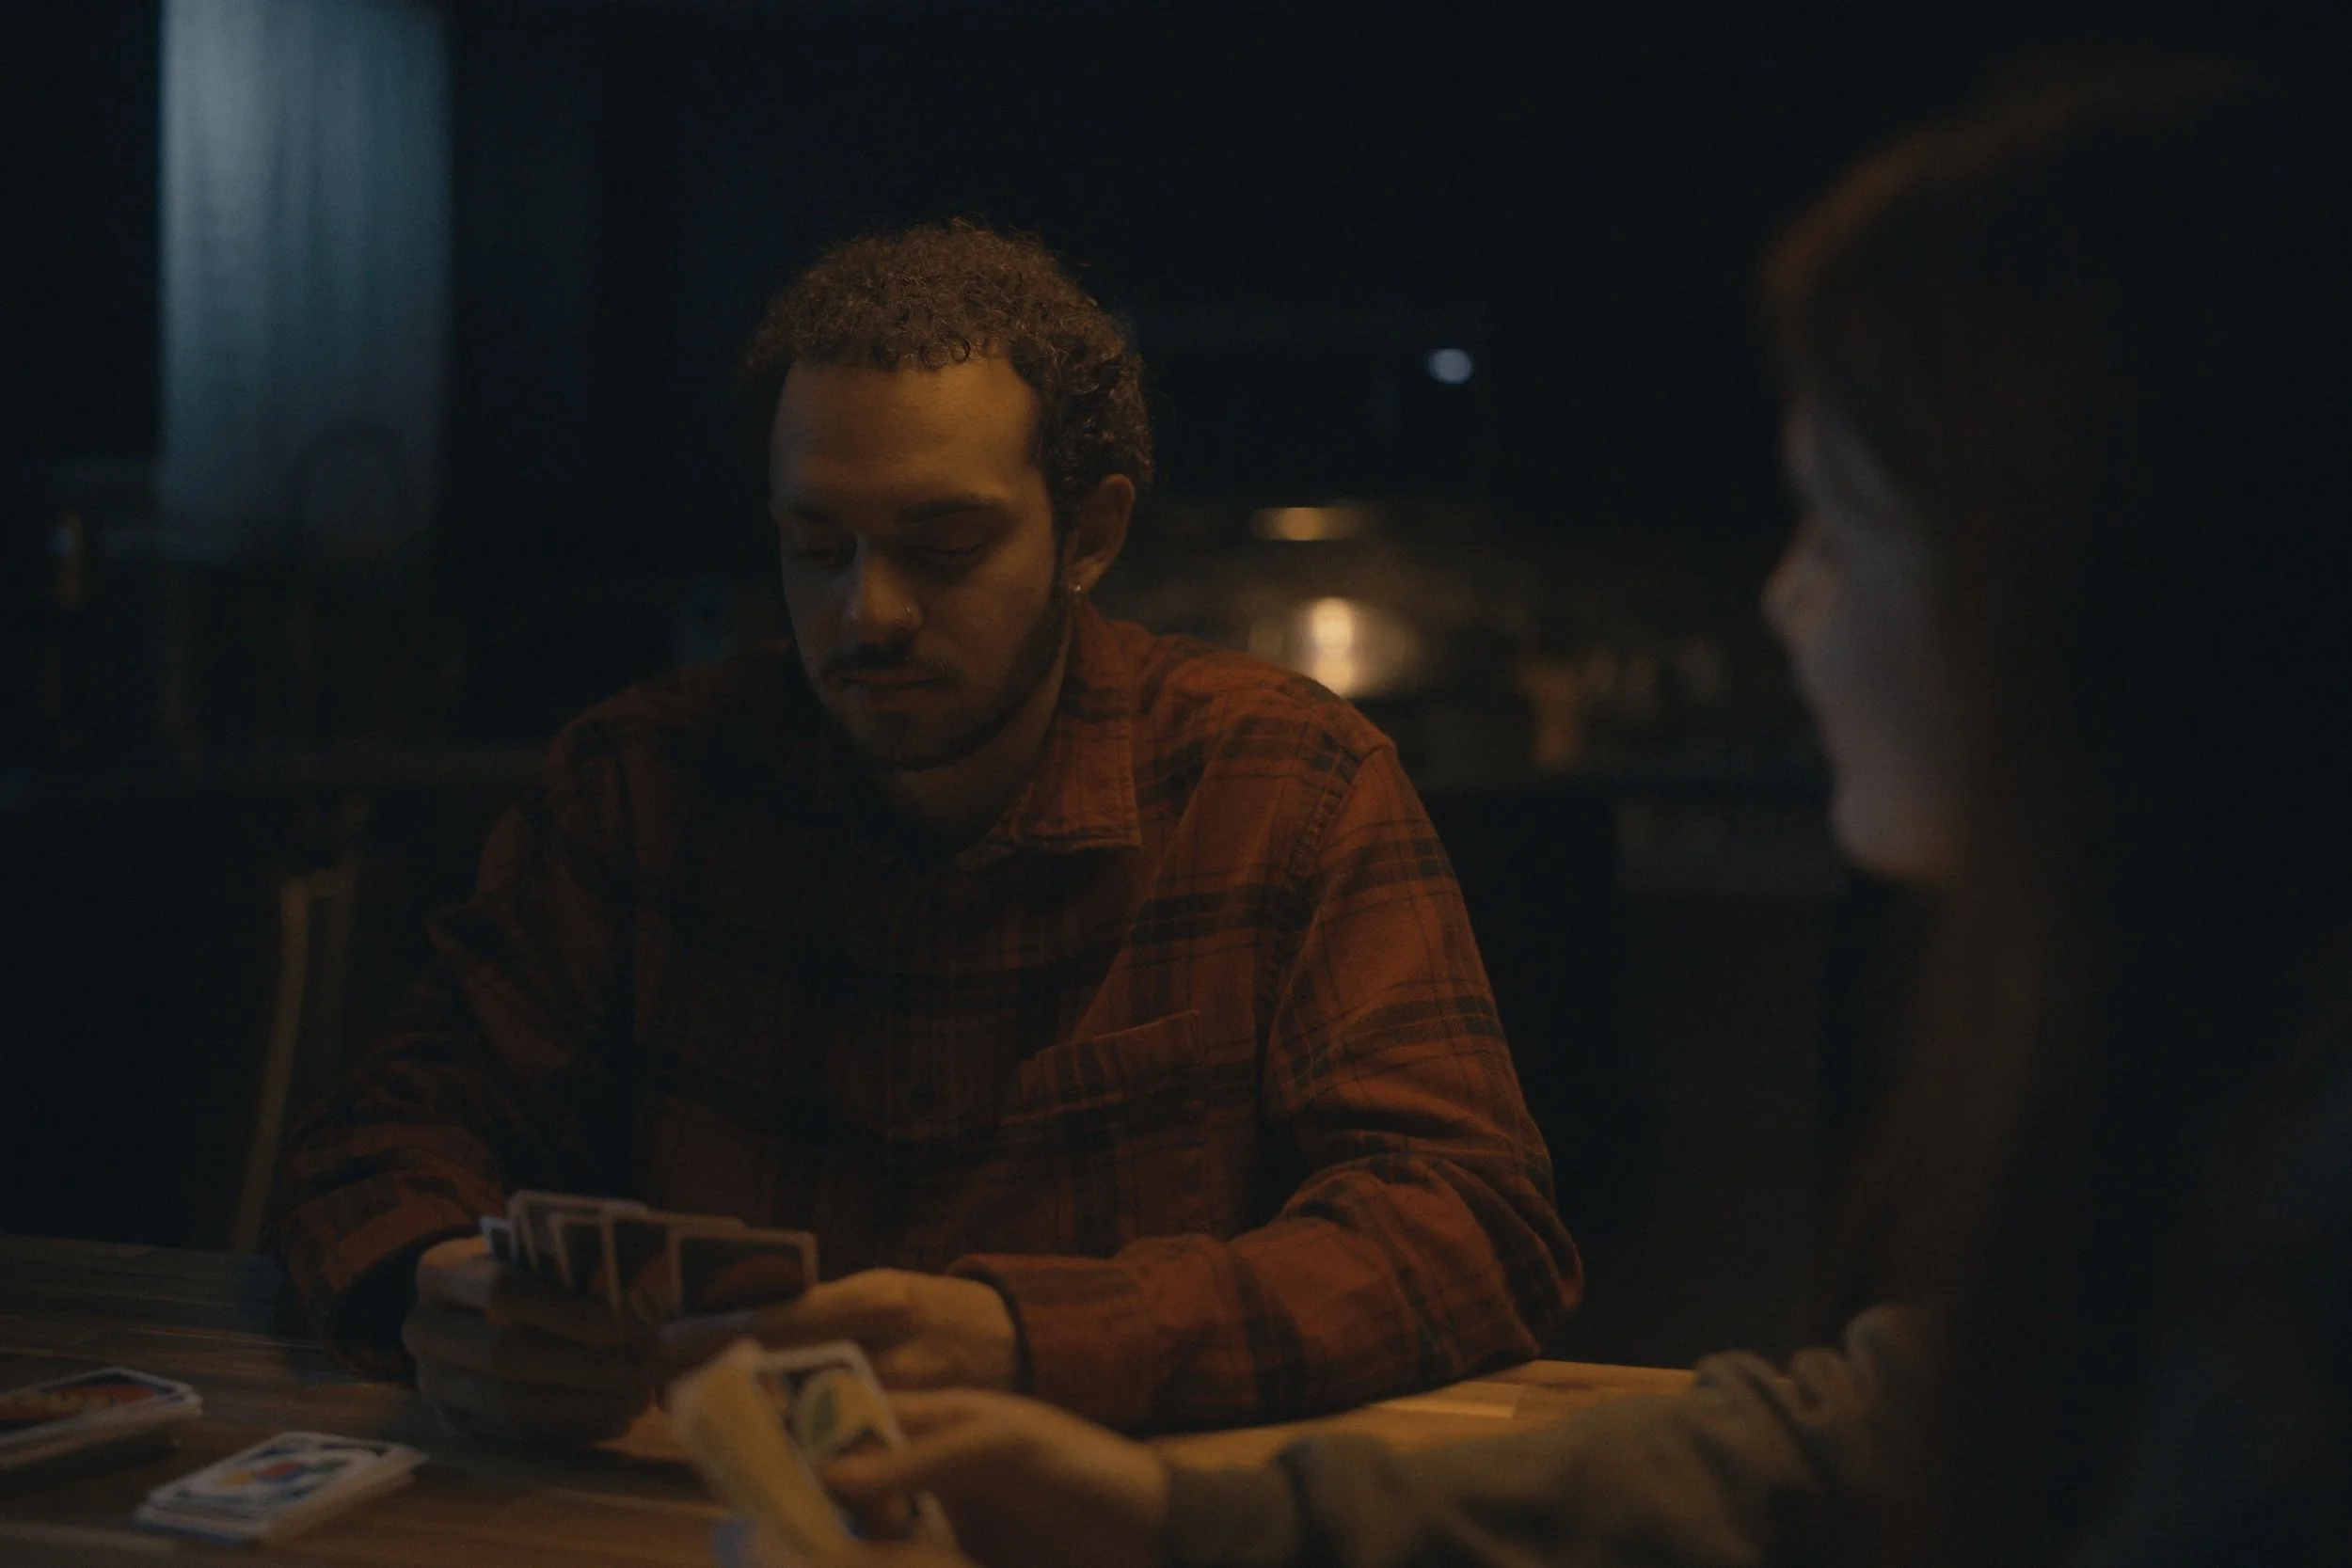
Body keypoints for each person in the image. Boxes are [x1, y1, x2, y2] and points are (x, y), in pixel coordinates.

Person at [766, 67, 2352, 1568]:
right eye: (813, 542)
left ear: (2091, 582)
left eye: (1842, 516)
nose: (1785, 594)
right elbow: (1858, 1433)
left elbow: (1485, 1240)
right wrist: (1191, 1523)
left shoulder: (2307, 1258)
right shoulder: (2211, 1093)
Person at [268, 222, 1580, 1446]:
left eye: (943, 545)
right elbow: (374, 1137)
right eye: (814, 545)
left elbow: (1472, 1224)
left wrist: (1023, 1334)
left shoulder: (1285, 783)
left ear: (1092, 533)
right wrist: (434, 1286)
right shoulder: (646, 783)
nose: (866, 613)